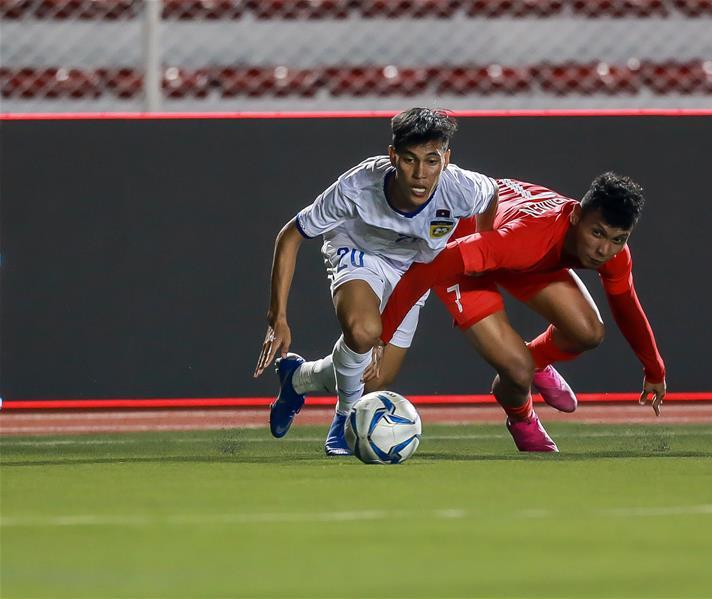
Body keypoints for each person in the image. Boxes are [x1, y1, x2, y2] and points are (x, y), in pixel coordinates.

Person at [252, 107, 500, 455]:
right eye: (410, 160)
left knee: (373, 380)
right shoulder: (358, 186)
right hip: (357, 251)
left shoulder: (462, 189)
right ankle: (345, 419)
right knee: (364, 331)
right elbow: (290, 235)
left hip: (413, 271)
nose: (420, 174)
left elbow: (492, 195)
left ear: (446, 159)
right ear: (393, 156)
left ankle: (297, 378)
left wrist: (480, 248)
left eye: (431, 161)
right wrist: (277, 317)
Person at [374, 173, 667, 452]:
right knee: (517, 371)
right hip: (467, 243)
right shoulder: (527, 238)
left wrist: (654, 369)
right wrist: (382, 336)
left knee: (588, 332)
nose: (604, 250)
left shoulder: (611, 253)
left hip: (520, 253)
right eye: (597, 233)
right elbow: (429, 267)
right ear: (576, 216)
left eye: (618, 239)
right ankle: (522, 417)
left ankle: (536, 362)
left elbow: (626, 307)